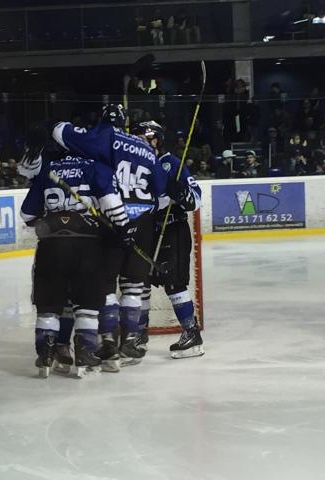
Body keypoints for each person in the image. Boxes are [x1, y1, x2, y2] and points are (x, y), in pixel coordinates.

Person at [52, 104, 169, 368]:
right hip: (145, 221)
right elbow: (161, 195)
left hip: (113, 220)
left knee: (105, 285)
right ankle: (130, 341)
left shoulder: (106, 136)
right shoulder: (147, 149)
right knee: (133, 287)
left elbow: (61, 133)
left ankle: (109, 345)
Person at [20, 150, 130, 378]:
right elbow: (113, 207)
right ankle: (85, 353)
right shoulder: (95, 167)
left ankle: (46, 354)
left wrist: (55, 220)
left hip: (51, 246)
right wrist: (123, 230)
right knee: (87, 305)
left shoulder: (47, 171)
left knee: (49, 306)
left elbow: (27, 215)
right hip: (87, 246)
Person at [132, 121, 204, 358]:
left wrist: (179, 192)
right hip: (146, 232)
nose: (140, 143)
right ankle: (138, 334)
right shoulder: (136, 166)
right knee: (139, 281)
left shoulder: (172, 163)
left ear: (157, 140)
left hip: (172, 229)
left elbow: (195, 200)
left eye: (145, 138)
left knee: (174, 283)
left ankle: (191, 334)